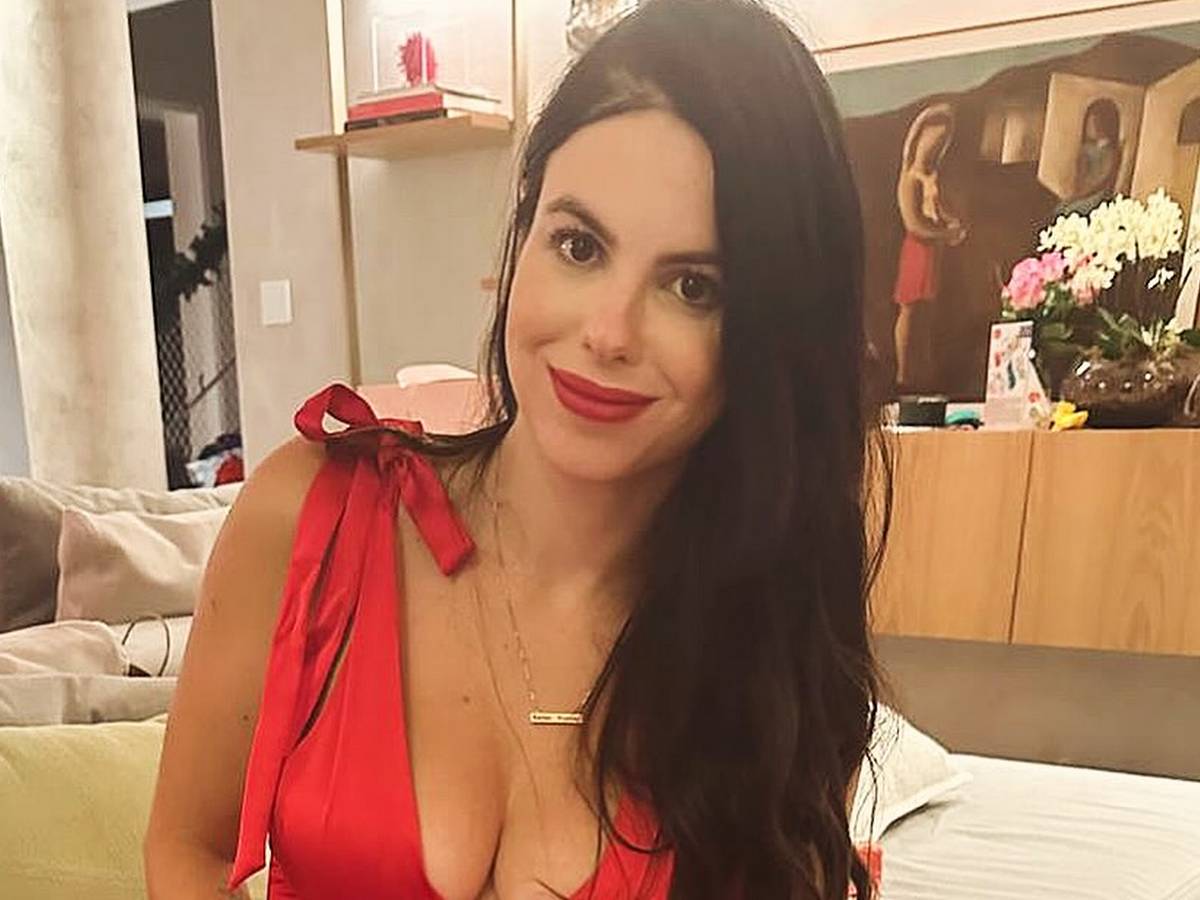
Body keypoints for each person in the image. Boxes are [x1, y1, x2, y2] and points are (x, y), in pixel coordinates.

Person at [143, 1, 890, 897]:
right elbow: (187, 848)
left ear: (774, 334)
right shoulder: (308, 517)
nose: (608, 332)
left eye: (694, 287)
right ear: (523, 234)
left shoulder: (777, 655)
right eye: (579, 245)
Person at [891, 102, 968, 392]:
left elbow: (937, 210)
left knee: (926, 314)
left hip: (933, 250)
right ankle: (903, 372)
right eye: (931, 140)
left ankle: (922, 369)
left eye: (941, 141)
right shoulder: (909, 178)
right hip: (917, 249)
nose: (934, 146)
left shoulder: (931, 176)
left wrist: (952, 224)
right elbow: (913, 223)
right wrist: (942, 234)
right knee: (910, 309)